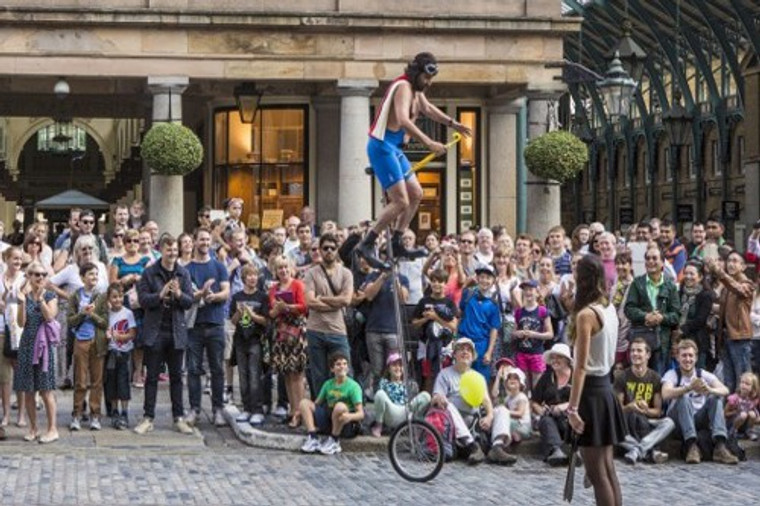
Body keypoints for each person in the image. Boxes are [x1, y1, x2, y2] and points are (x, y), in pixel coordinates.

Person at [357, 52, 471, 268]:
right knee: (401, 201)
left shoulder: (415, 90)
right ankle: (367, 243)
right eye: (426, 78)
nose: (428, 83)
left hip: (394, 148)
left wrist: (452, 123)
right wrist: (429, 143)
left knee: (417, 194)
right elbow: (402, 119)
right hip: (382, 147)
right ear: (417, 72)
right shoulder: (403, 88)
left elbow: (428, 109)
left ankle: (398, 239)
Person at [565, 254, 626, 506]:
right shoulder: (608, 307)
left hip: (591, 393)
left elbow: (580, 367)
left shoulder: (586, 315)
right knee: (608, 469)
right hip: (605, 388)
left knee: (596, 472)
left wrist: (572, 408)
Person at [134, 234, 194, 436]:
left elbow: (188, 302)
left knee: (176, 378)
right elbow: (142, 300)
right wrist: (160, 295)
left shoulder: (183, 273)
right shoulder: (150, 273)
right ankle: (148, 417)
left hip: (176, 331)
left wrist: (177, 294)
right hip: (155, 331)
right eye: (169, 250)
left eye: (175, 250)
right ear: (161, 250)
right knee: (151, 377)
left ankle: (178, 417)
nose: (173, 253)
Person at [430, 337, 518, 465]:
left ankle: (497, 448)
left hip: (476, 421)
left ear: (473, 356)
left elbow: (486, 400)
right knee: (447, 404)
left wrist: (489, 416)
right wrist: (439, 398)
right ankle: (471, 446)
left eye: (468, 350)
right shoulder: (444, 374)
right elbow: (436, 397)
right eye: (461, 350)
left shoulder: (478, 377)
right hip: (455, 421)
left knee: (501, 410)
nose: (465, 352)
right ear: (454, 355)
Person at [662, 339, 738, 464]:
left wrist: (709, 389)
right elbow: (665, 394)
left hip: (698, 419)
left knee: (715, 398)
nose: (687, 359)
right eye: (684, 356)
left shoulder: (702, 374)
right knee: (683, 397)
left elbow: (725, 390)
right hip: (677, 423)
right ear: (677, 358)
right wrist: (688, 388)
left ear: (696, 358)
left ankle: (720, 446)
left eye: (690, 356)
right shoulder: (672, 374)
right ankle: (691, 446)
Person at [185, 227, 230, 427]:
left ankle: (217, 409)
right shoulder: (186, 269)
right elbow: (185, 297)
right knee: (193, 370)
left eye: (207, 240)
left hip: (215, 323)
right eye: (201, 239)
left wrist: (213, 296)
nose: (204, 243)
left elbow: (226, 292)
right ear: (194, 242)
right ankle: (194, 409)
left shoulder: (219, 266)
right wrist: (201, 294)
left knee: (217, 369)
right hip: (194, 325)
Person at [14, 261, 60, 443]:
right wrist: (22, 303)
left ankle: (52, 429)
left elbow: (50, 316)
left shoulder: (50, 295)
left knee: (46, 390)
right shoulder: (23, 296)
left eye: (43, 275)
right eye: (36, 274)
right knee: (28, 391)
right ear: (29, 277)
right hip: (27, 344)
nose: (40, 277)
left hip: (44, 347)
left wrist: (40, 299)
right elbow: (20, 323)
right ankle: (33, 428)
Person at [303, 233, 354, 395]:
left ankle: (344, 409)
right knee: (318, 375)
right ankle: (322, 412)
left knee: (344, 372)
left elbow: (346, 300)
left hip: (337, 330)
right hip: (315, 330)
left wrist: (322, 299)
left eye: (332, 248)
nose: (329, 251)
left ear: (337, 250)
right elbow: (310, 302)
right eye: (325, 248)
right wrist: (334, 303)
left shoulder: (346, 273)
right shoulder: (311, 273)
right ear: (320, 250)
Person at [614, 337, 675, 464]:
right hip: (627, 422)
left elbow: (657, 411)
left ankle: (637, 450)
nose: (635, 354)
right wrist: (630, 406)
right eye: (632, 351)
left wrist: (646, 409)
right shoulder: (622, 377)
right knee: (610, 427)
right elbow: (618, 410)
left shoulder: (655, 378)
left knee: (669, 422)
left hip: (648, 421)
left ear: (648, 355)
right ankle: (650, 451)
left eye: (639, 351)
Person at [624, 246, 681, 374]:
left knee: (659, 379)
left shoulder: (670, 286)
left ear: (662, 263)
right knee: (638, 377)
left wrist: (662, 318)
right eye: (648, 258)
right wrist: (646, 316)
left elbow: (676, 315)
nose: (651, 261)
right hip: (640, 341)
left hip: (662, 343)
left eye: (654, 258)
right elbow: (629, 309)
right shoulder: (637, 283)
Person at [67, 262, 109, 431]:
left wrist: (93, 315)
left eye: (96, 274)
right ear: (82, 277)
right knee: (80, 381)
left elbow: (105, 322)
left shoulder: (101, 297)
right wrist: (82, 313)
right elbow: (70, 320)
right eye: (90, 274)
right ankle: (77, 414)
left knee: (97, 382)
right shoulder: (75, 296)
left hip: (97, 342)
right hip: (81, 342)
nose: (94, 277)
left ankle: (95, 415)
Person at [706, 252, 755, 393]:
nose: (730, 264)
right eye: (729, 261)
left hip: (740, 338)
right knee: (728, 381)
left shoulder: (747, 284)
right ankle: (730, 411)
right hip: (726, 337)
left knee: (744, 381)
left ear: (743, 266)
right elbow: (723, 309)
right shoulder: (727, 287)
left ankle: (748, 411)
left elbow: (738, 289)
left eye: (735, 261)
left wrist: (719, 272)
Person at [269, 255, 308, 428]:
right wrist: (278, 308)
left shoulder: (298, 285)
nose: (283, 271)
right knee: (286, 373)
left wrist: (288, 307)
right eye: (280, 268)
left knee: (297, 374)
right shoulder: (274, 288)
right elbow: (271, 312)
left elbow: (304, 306)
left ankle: (300, 412)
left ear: (291, 268)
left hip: (296, 332)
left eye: (286, 267)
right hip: (282, 333)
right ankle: (292, 409)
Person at [299, 351, 364, 456]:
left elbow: (361, 414)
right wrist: (301, 413)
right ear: (332, 369)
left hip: (345, 423)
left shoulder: (354, 386)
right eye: (338, 364)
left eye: (344, 364)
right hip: (329, 418)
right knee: (304, 403)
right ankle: (313, 437)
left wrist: (350, 416)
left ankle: (334, 440)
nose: (342, 367)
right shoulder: (328, 384)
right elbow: (316, 403)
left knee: (340, 406)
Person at [230, 264, 269, 426]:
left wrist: (252, 314)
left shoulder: (262, 297)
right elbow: (232, 321)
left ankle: (257, 409)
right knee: (243, 376)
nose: (252, 278)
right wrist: (239, 313)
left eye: (255, 275)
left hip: (255, 339)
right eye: (249, 275)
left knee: (255, 376)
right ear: (243, 278)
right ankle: (246, 407)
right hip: (240, 340)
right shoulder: (237, 296)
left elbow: (266, 321)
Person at [361, 258, 409, 390]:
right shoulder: (372, 276)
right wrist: (382, 277)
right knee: (377, 370)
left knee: (395, 367)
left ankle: (395, 396)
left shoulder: (402, 278)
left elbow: (403, 298)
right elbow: (369, 295)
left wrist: (395, 279)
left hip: (393, 330)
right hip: (374, 329)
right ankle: (378, 397)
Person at [411, 268, 458, 392]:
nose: (437, 284)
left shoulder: (449, 303)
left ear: (445, 284)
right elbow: (414, 323)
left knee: (443, 375)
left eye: (440, 281)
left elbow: (454, 326)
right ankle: (427, 404)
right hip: (426, 345)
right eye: (434, 281)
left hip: (443, 346)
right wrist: (425, 319)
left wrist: (436, 318)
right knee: (428, 376)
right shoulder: (423, 301)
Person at [457, 263, 501, 383]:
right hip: (464, 341)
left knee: (480, 379)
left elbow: (494, 328)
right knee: (461, 377)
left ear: (493, 280)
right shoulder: (468, 294)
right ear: (477, 278)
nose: (484, 280)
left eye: (488, 277)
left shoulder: (493, 303)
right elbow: (459, 314)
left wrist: (489, 351)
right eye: (482, 277)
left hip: (481, 344)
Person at [531, 343, 574, 466]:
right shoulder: (547, 377)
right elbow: (534, 402)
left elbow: (585, 399)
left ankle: (571, 450)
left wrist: (565, 406)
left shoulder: (576, 376)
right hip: (551, 420)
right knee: (545, 420)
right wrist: (541, 410)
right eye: (553, 358)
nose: (555, 361)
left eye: (558, 357)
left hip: (571, 419)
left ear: (567, 360)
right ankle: (556, 450)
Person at [369, 352, 431, 437]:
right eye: (394, 365)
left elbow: (414, 401)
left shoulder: (409, 383)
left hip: (407, 412)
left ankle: (417, 425)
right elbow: (380, 401)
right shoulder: (384, 382)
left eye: (400, 365)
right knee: (379, 394)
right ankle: (379, 425)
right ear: (389, 368)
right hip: (392, 412)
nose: (398, 368)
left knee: (426, 395)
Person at [1, 246, 28, 430]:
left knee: (20, 374)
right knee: (4, 376)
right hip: (2, 330)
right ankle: (6, 414)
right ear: (6, 259)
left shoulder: (25, 279)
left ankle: (21, 414)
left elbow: (24, 301)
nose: (18, 262)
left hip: (19, 331)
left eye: (20, 259)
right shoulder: (0, 278)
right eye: (14, 258)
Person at [104, 283, 136, 430]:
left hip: (124, 353)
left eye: (120, 296)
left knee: (123, 383)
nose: (117, 300)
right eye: (114, 297)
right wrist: (107, 335)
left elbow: (132, 333)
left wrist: (121, 336)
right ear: (109, 299)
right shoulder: (107, 314)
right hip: (111, 352)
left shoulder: (128, 313)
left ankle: (124, 412)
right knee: (112, 383)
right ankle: (114, 411)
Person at [513, 279, 553, 392]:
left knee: (537, 384)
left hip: (537, 353)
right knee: (523, 383)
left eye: (530, 289)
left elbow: (550, 334)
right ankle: (525, 406)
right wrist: (518, 334)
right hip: (522, 352)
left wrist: (534, 334)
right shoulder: (519, 312)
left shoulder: (542, 311)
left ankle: (535, 405)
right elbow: (513, 332)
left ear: (536, 292)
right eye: (525, 290)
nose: (528, 292)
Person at [678, 261, 714, 370]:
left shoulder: (706, 295)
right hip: (680, 340)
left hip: (698, 341)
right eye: (686, 273)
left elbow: (701, 319)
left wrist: (683, 329)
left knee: (698, 374)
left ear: (700, 277)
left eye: (692, 274)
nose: (688, 277)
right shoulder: (679, 293)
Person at [491, 362, 532, 444]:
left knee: (504, 420)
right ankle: (510, 437)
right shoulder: (508, 398)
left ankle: (513, 436)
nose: (512, 380)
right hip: (514, 423)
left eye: (515, 378)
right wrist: (498, 378)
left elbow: (520, 413)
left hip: (523, 426)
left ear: (521, 383)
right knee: (497, 417)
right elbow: (496, 399)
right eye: (509, 378)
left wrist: (505, 411)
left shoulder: (521, 397)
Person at [725, 371, 759, 439]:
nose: (743, 385)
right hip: (732, 422)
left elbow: (756, 418)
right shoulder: (734, 398)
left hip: (744, 424)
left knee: (752, 414)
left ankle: (749, 431)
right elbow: (725, 413)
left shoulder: (753, 399)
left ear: (753, 387)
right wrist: (736, 412)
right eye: (742, 382)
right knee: (743, 414)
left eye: (747, 384)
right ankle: (732, 432)